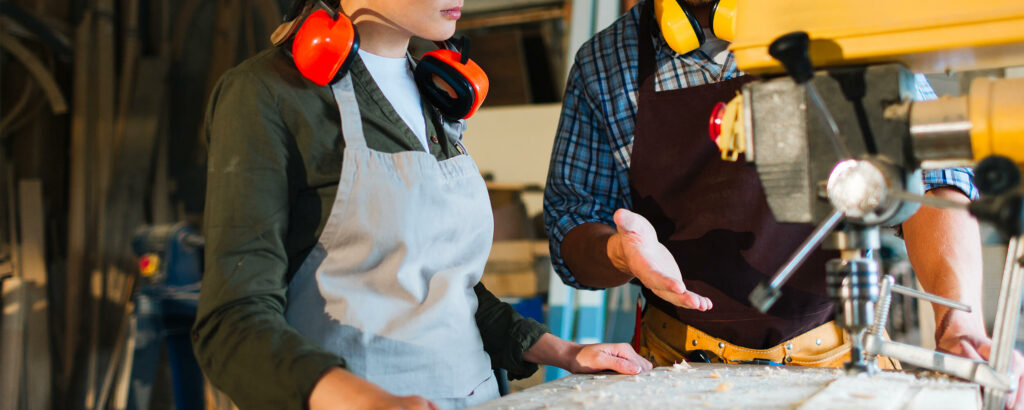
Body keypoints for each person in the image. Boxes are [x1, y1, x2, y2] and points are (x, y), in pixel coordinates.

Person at [544, 0, 1024, 407]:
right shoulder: (604, 63)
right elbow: (572, 222)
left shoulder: (841, 23)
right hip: (675, 366)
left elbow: (931, 180)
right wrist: (620, 252)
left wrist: (956, 320)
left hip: (836, 358)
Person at [192, 1, 652, 409]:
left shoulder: (436, 92)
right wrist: (363, 401)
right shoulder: (269, 93)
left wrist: (563, 352)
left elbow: (444, 288)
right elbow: (232, 323)